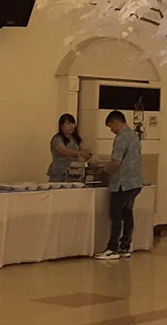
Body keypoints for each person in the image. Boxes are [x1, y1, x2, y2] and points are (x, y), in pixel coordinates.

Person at [96, 110, 143, 260]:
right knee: (127, 214)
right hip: (135, 182)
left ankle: (112, 248)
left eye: (111, 126)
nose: (111, 130)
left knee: (116, 215)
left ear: (116, 122)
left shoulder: (121, 138)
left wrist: (103, 169)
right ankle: (125, 247)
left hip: (122, 184)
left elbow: (116, 163)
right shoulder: (134, 136)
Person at [47, 113, 92, 182]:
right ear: (61, 126)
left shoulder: (77, 139)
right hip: (59, 171)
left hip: (73, 171)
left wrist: (87, 153)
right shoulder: (57, 138)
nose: (71, 126)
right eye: (68, 124)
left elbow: (84, 148)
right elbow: (63, 150)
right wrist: (79, 153)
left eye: (72, 123)